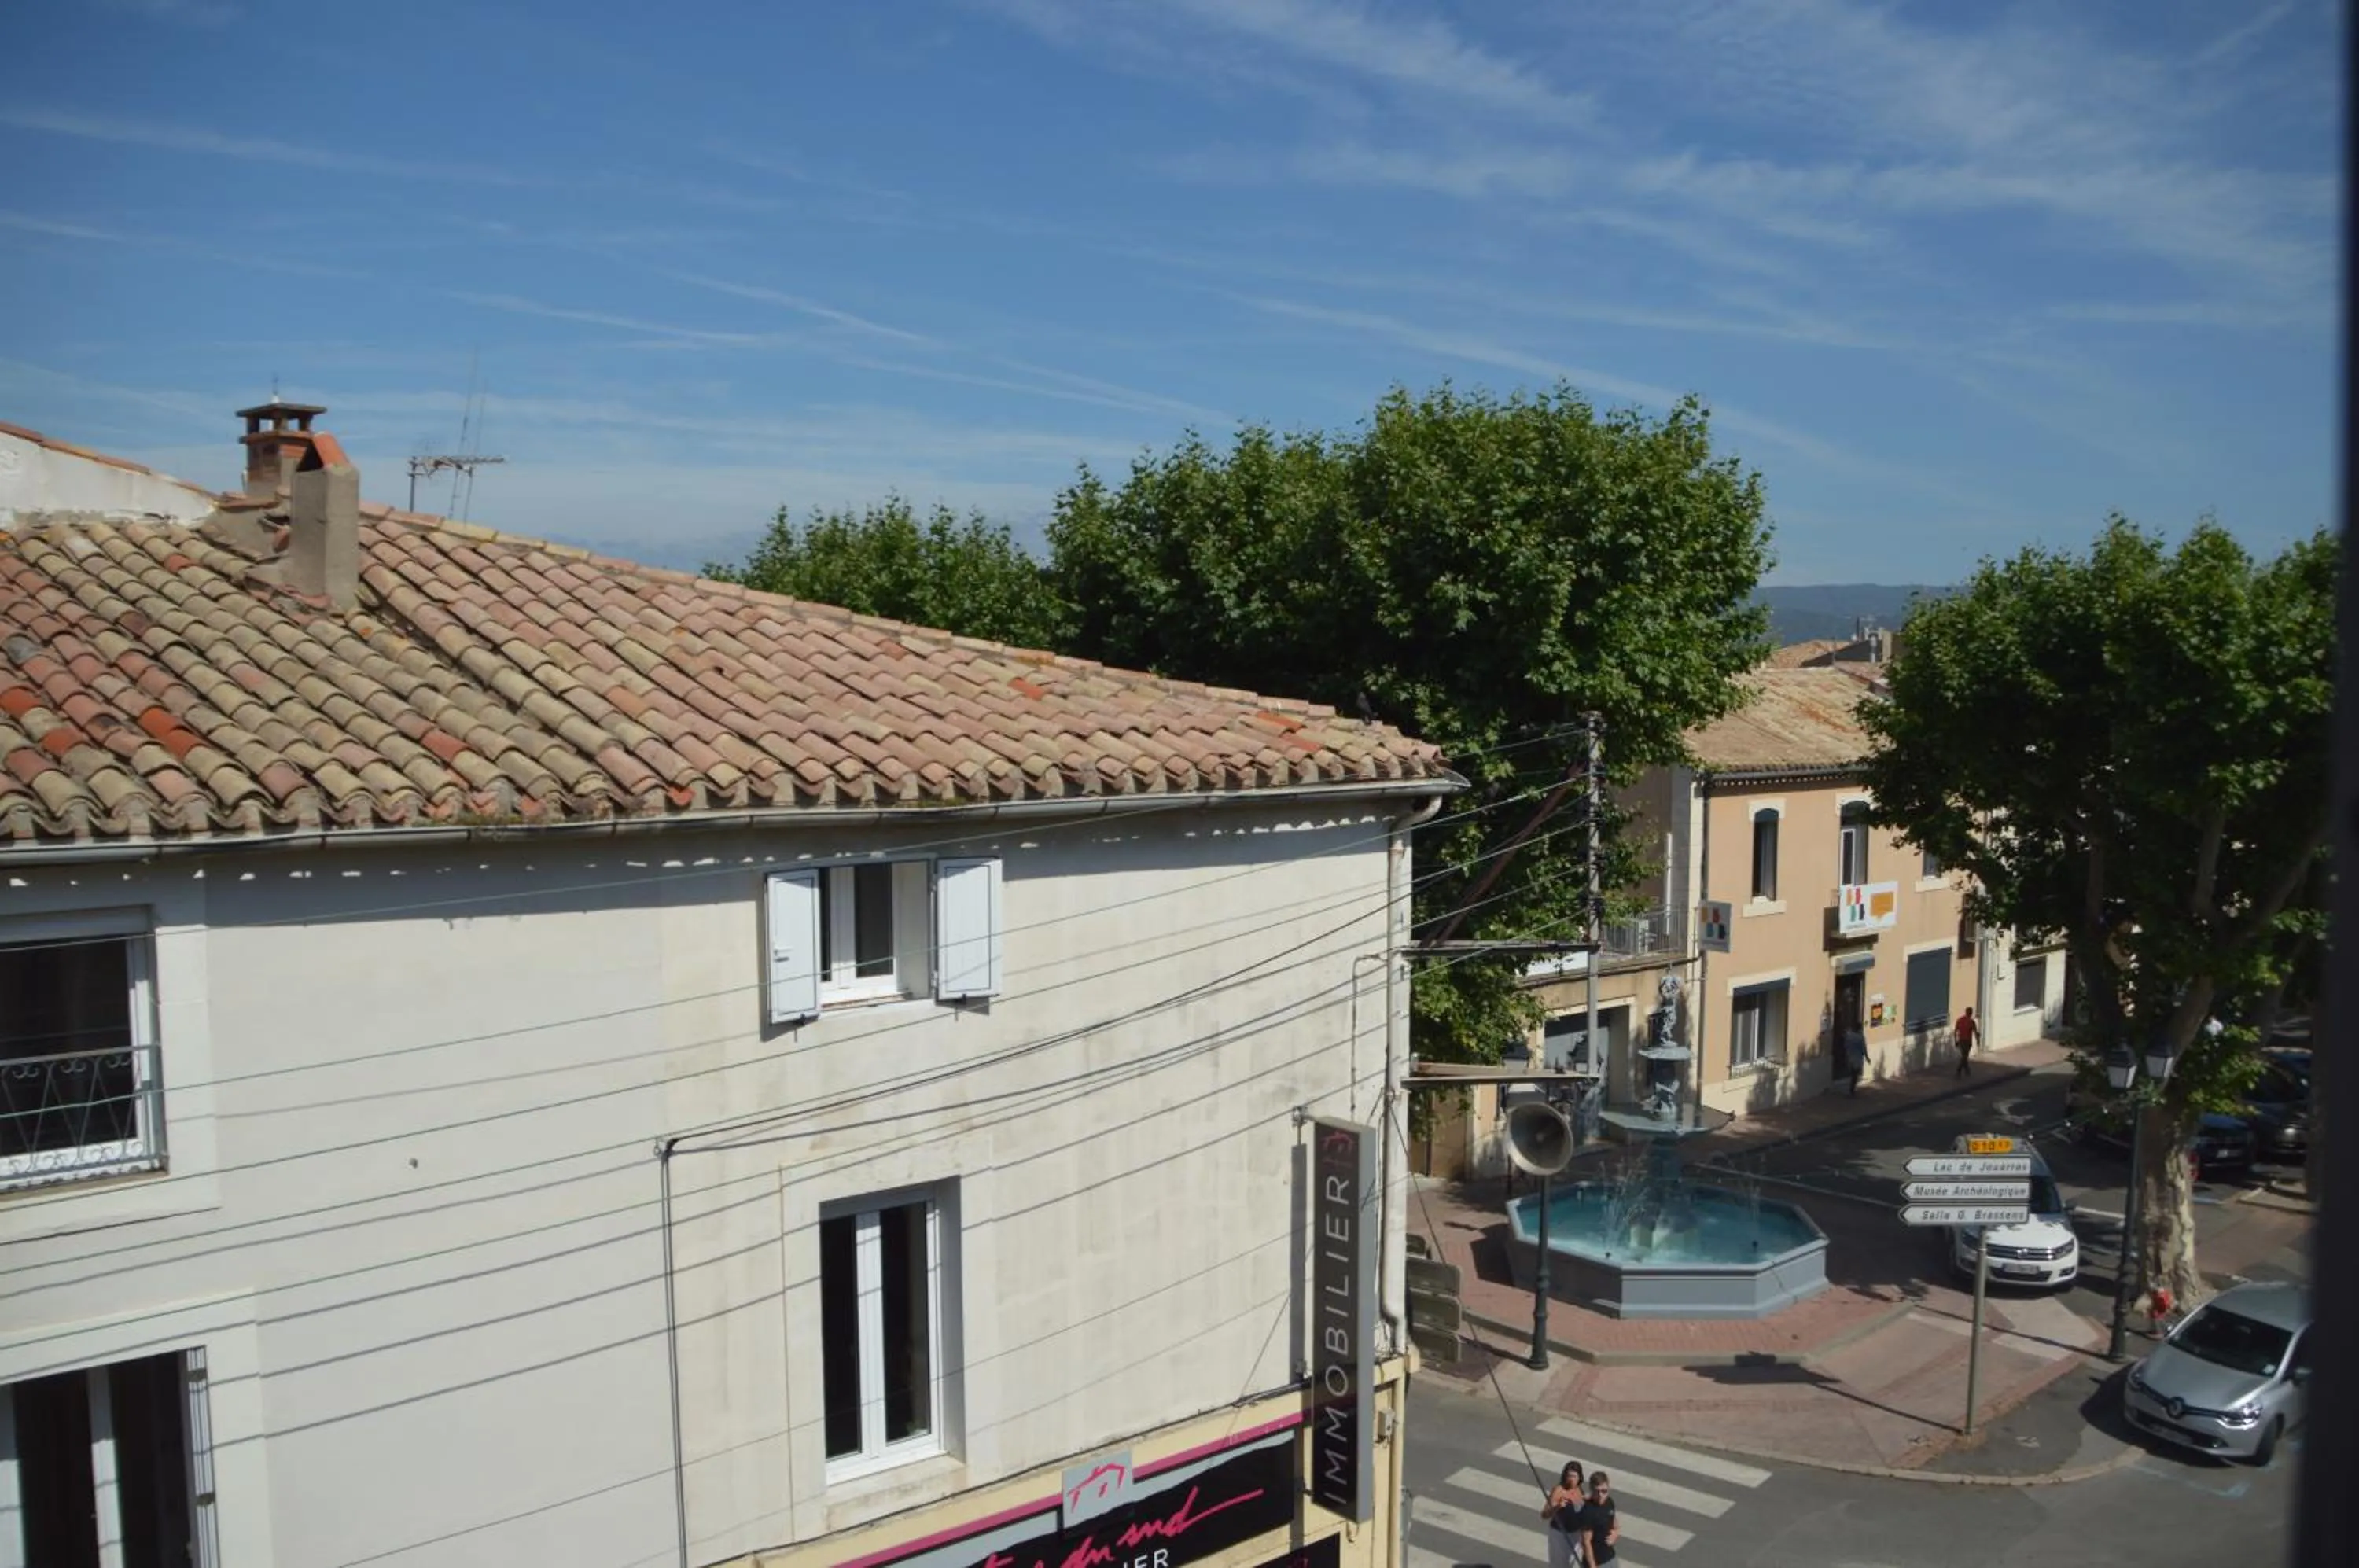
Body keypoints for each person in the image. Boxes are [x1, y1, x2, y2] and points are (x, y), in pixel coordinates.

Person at [1540, 1459, 1588, 1568]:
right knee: (1559, 1565)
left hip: (1576, 1534)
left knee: (1575, 1564)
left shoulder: (1579, 1490)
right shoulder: (1559, 1490)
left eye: (1574, 1476)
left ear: (1580, 1477)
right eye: (1569, 1476)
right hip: (1560, 1534)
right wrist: (1558, 1506)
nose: (1571, 1480)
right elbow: (1544, 1514)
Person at [1572, 1470, 1621, 1566]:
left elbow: (1614, 1522)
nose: (1601, 1495)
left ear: (1608, 1488)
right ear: (1591, 1490)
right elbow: (1586, 1542)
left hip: (1611, 1557)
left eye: (1604, 1491)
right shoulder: (1588, 1512)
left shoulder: (1609, 1502)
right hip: (1596, 1562)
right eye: (1597, 1491)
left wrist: (1616, 1533)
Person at [1840, 1021, 1867, 1096]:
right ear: (1860, 1028)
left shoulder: (1850, 1036)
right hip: (1858, 1058)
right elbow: (1864, 1048)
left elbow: (1845, 1044)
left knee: (1852, 1073)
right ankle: (1852, 1090)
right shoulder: (1861, 1037)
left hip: (1850, 1056)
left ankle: (1852, 1089)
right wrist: (1867, 1057)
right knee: (1855, 1074)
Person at [1954, 1006, 1979, 1078]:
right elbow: (1975, 1032)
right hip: (1967, 1042)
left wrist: (1956, 1041)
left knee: (1964, 1056)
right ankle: (1959, 1071)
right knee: (1965, 1057)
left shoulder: (1960, 1020)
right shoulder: (1971, 1022)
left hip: (1961, 1041)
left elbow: (1955, 1031)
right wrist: (1978, 1041)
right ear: (1971, 1013)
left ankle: (1967, 1071)